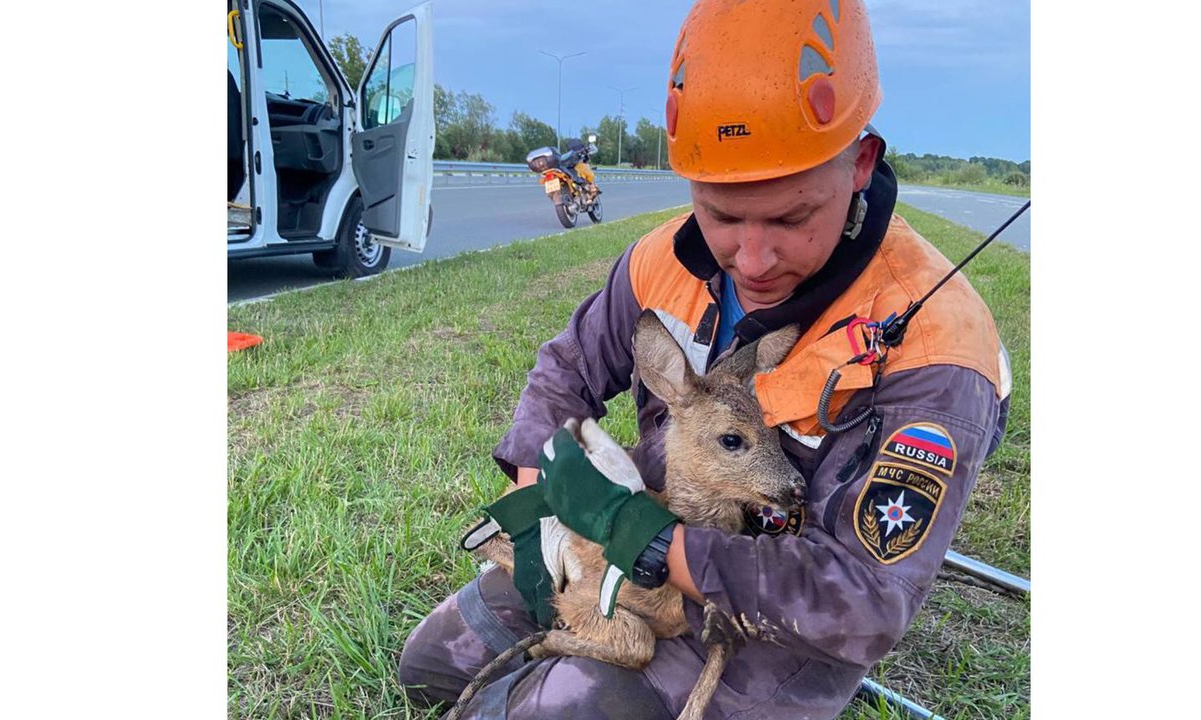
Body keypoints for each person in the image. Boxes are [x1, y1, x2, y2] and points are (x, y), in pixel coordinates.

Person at [399, 0, 1011, 717]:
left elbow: (864, 602)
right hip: (626, 547)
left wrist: (656, 545)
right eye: (721, 214)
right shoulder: (662, 261)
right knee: (431, 668)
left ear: (859, 165)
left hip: (768, 605)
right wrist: (547, 511)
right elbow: (567, 368)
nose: (751, 259)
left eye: (790, 218)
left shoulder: (937, 344)